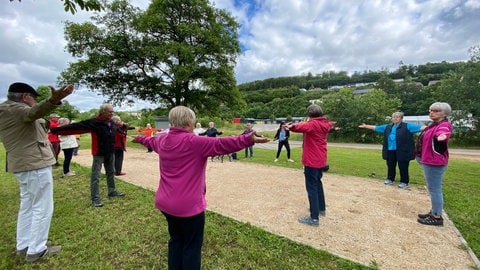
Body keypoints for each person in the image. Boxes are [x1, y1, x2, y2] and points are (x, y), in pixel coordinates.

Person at [132, 106, 269, 270]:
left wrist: (139, 138)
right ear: (190, 122)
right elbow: (222, 144)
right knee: (191, 247)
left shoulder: (162, 140)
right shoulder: (194, 141)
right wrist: (248, 139)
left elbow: (149, 141)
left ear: (172, 122)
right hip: (188, 207)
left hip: (165, 203)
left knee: (176, 241)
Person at [0, 82, 73, 262]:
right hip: (34, 163)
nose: (34, 102)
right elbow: (33, 113)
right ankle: (37, 249)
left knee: (28, 205)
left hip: (22, 164)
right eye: (33, 98)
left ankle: (24, 244)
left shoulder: (5, 110)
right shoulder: (15, 109)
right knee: (42, 206)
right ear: (25, 97)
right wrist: (52, 100)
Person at [51, 103, 125, 207]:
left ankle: (112, 191)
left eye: (113, 112)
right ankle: (95, 198)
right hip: (99, 153)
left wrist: (125, 127)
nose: (112, 114)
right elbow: (76, 126)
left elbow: (119, 130)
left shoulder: (112, 122)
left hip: (110, 152)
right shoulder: (94, 122)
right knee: (96, 176)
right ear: (103, 111)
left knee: (111, 172)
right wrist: (55, 130)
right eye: (110, 112)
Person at [286, 104, 333, 227]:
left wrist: (290, 126)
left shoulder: (313, 124)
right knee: (318, 184)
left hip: (312, 160)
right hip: (320, 159)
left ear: (309, 114)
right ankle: (321, 209)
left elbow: (299, 127)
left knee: (311, 187)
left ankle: (314, 218)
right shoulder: (324, 123)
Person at [358, 112, 422, 188]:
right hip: (390, 150)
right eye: (394, 117)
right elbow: (376, 127)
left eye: (397, 117)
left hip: (403, 150)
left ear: (401, 118)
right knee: (391, 165)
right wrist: (365, 126)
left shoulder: (407, 126)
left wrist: (434, 127)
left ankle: (404, 182)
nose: (395, 118)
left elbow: (422, 128)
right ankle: (390, 179)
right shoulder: (388, 127)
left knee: (403, 166)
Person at [416, 102, 453, 226]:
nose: (431, 112)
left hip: (435, 162)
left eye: (436, 110)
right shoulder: (433, 125)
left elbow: (444, 132)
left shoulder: (444, 125)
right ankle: (433, 211)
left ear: (444, 113)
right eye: (430, 110)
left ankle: (436, 217)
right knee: (432, 188)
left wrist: (442, 136)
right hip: (429, 160)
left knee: (435, 189)